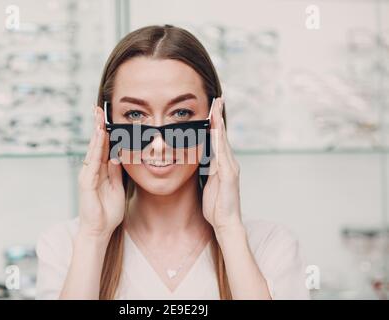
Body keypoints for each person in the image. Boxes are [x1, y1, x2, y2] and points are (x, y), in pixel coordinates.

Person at [35, 24, 310, 300]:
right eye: (134, 115)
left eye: (181, 113)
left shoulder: (270, 246)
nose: (159, 144)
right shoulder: (66, 246)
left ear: (213, 119)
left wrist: (228, 228)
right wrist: (94, 236)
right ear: (106, 124)